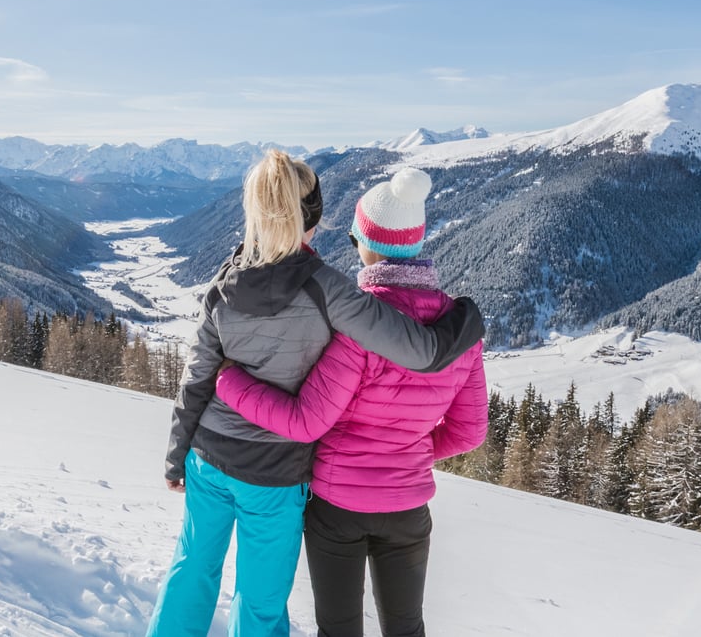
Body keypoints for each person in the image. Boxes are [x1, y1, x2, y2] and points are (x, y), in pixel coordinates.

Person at [150, 152, 485, 637]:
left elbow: (198, 374)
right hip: (274, 473)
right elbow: (416, 349)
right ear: (316, 217)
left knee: (190, 572)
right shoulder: (330, 292)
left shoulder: (223, 284)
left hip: (209, 457)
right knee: (260, 601)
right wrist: (464, 323)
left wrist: (176, 453)